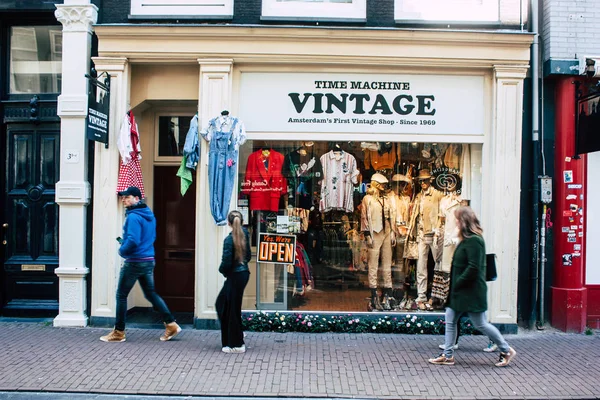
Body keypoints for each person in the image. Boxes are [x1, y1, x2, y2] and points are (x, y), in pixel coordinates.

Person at [428, 206, 516, 367]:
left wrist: (458, 283)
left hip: (470, 292)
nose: (454, 222)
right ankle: (447, 355)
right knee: (450, 319)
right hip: (461, 291)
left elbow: (474, 267)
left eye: (457, 219)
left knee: (480, 323)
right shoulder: (467, 239)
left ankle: (506, 349)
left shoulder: (475, 240)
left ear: (463, 221)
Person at [100, 186, 181, 343]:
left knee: (121, 295)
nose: (123, 199)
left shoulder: (133, 217)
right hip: (148, 259)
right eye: (122, 197)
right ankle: (171, 324)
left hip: (135, 262)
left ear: (137, 198)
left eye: (127, 197)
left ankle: (119, 332)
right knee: (151, 294)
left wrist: (122, 251)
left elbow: (134, 240)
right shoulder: (149, 215)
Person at [216, 210, 251, 353]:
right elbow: (248, 255)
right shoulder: (245, 235)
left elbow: (226, 263)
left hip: (234, 275)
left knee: (228, 307)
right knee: (228, 306)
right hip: (242, 274)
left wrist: (223, 272)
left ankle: (236, 344)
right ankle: (236, 336)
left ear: (229, 223)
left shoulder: (229, 240)